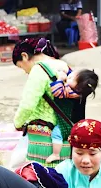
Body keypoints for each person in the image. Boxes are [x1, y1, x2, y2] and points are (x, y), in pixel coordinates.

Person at [13, 38, 75, 166]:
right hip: (65, 131)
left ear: (24, 56)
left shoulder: (39, 69)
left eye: (21, 66)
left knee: (42, 178)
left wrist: (17, 123)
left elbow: (28, 104)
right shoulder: (63, 65)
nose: (24, 71)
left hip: (44, 139)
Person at [45, 68, 98, 164]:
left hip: (68, 124)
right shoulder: (80, 90)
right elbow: (72, 73)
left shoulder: (71, 93)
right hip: (77, 122)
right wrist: (68, 72)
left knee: (56, 133)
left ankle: (56, 154)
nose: (69, 77)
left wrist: (60, 79)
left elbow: (57, 91)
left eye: (71, 78)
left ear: (78, 88)